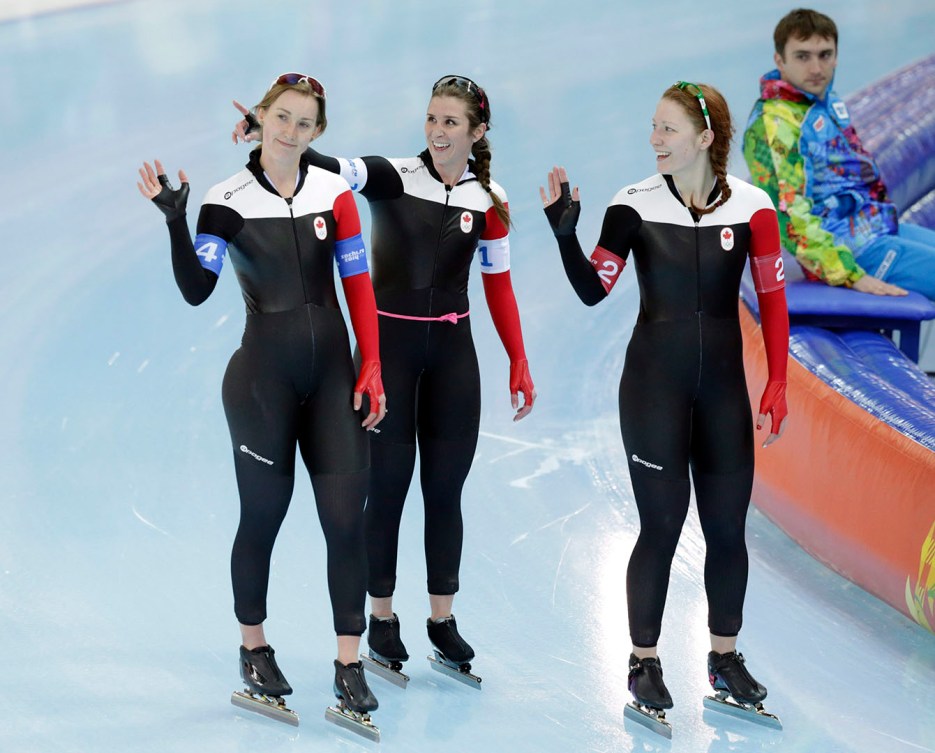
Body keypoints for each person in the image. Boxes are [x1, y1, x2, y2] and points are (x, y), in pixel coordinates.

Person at [231, 73, 536, 682]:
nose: (437, 131)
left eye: (451, 122)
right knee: (387, 491)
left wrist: (518, 357)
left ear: (477, 132)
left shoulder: (491, 200)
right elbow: (317, 160)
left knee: (446, 491)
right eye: (431, 119)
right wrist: (265, 134)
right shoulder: (393, 174)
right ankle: (383, 617)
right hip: (388, 355)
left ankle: (442, 620)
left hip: (454, 358)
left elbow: (499, 286)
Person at [137, 73, 387, 731]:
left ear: (318, 132)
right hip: (261, 386)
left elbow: (358, 284)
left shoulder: (335, 193)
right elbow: (197, 288)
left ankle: (347, 662)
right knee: (264, 517)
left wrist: (373, 367)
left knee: (345, 521)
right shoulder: (225, 199)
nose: (291, 131)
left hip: (334, 379)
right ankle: (254, 648)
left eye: (306, 123)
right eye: (282, 117)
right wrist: (175, 220)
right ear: (260, 117)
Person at [541, 82, 789, 728]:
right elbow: (594, 291)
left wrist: (778, 383)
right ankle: (643, 659)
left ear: (704, 140)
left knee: (728, 531)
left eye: (667, 129)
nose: (653, 139)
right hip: (652, 388)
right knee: (661, 526)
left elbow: (774, 301)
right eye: (652, 126)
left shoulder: (754, 209)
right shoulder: (631, 205)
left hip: (723, 395)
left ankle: (723, 657)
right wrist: (564, 236)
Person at [744, 7, 935, 301]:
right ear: (779, 61)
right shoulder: (775, 125)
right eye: (803, 56)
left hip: (875, 226)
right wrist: (848, 274)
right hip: (850, 249)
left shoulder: (822, 102)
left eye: (825, 54)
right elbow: (788, 215)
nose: (816, 68)